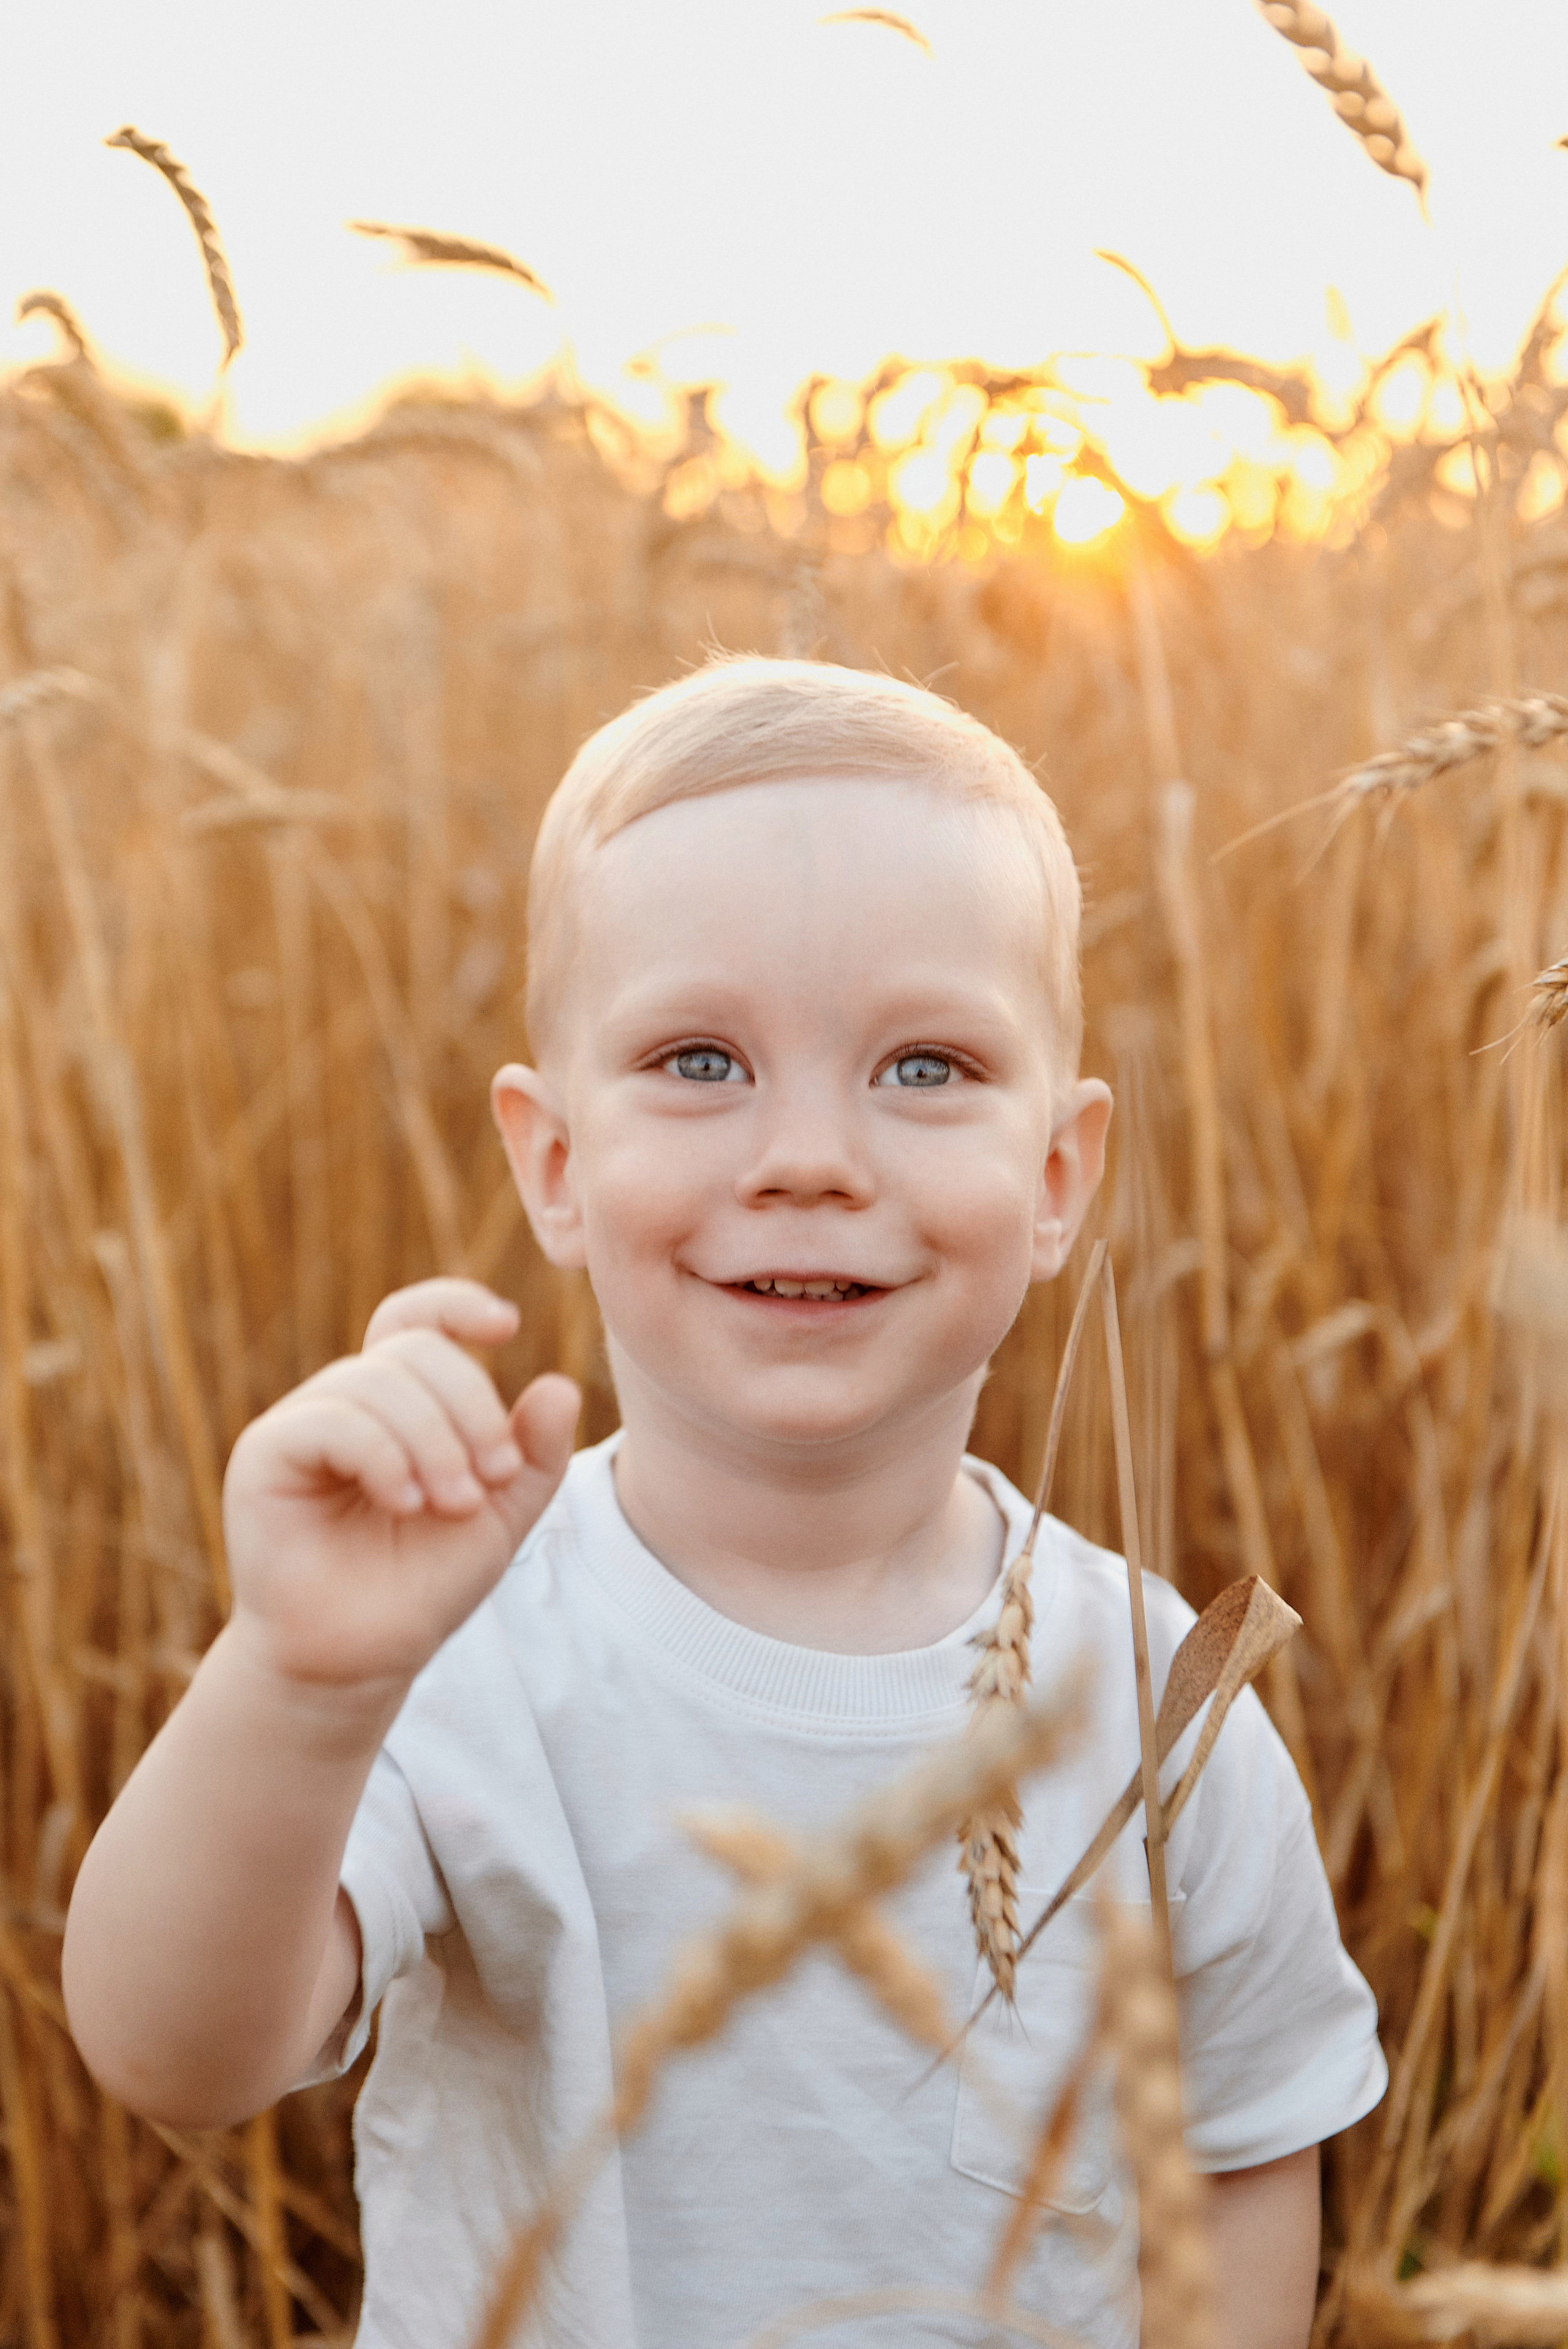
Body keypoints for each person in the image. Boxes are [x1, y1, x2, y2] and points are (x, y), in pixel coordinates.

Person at [62, 658, 1385, 2349]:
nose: (810, 1154)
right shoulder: (457, 1652)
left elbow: (1244, 2149)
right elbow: (173, 2053)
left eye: (924, 1067)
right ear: (552, 1162)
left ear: (1058, 1176)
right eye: (701, 1059)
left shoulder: (1163, 1706)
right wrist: (299, 1680)